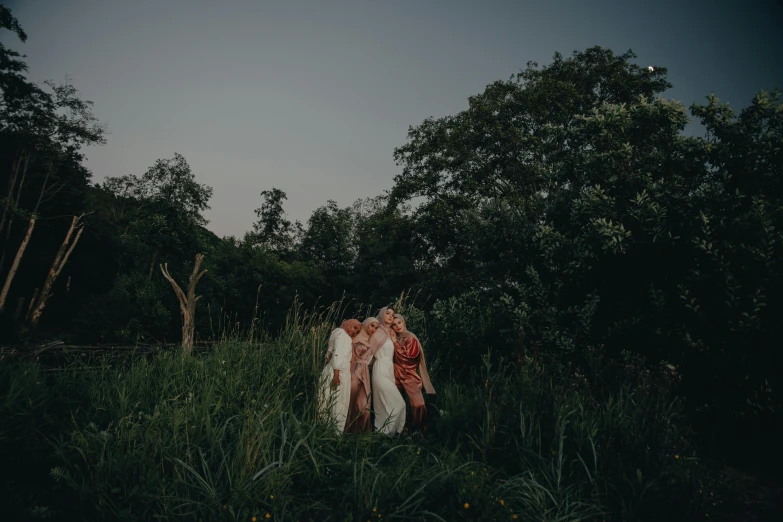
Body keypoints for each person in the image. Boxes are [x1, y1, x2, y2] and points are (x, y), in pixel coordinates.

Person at [391, 313, 435, 434]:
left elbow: (409, 358)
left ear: (403, 322)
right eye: (394, 325)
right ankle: (400, 429)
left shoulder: (410, 337)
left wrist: (394, 343)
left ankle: (421, 430)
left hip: (409, 375)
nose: (397, 326)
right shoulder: (393, 336)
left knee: (418, 403)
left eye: (399, 322)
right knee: (397, 402)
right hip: (394, 374)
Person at [319, 319, 361, 434]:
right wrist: (337, 375)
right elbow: (337, 354)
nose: (355, 332)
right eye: (354, 328)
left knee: (329, 400)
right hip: (339, 372)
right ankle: (335, 433)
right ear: (348, 324)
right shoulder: (344, 336)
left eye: (357, 331)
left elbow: (329, 354)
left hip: (331, 370)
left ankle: (325, 429)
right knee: (339, 402)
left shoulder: (337, 332)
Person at [368, 306, 406, 435]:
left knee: (386, 403)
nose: (390, 316)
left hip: (389, 370)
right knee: (398, 402)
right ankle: (386, 431)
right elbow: (369, 352)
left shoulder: (390, 334)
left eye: (392, 314)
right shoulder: (377, 332)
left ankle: (386, 433)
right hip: (380, 369)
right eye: (387, 313)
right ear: (381, 314)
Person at [345, 317, 379, 434]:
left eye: (376, 327)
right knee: (351, 400)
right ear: (366, 324)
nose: (373, 329)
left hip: (365, 373)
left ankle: (362, 432)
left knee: (365, 404)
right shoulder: (354, 337)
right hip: (354, 371)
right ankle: (346, 430)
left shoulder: (372, 341)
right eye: (372, 325)